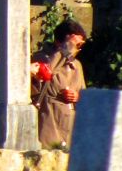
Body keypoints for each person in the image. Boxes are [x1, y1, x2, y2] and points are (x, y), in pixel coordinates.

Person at [32, 18, 86, 147]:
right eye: (75, 44)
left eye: (80, 45)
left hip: (70, 129)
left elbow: (85, 95)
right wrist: (65, 49)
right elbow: (46, 72)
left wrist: (78, 97)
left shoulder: (77, 65)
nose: (77, 49)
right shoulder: (41, 57)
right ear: (58, 42)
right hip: (49, 125)